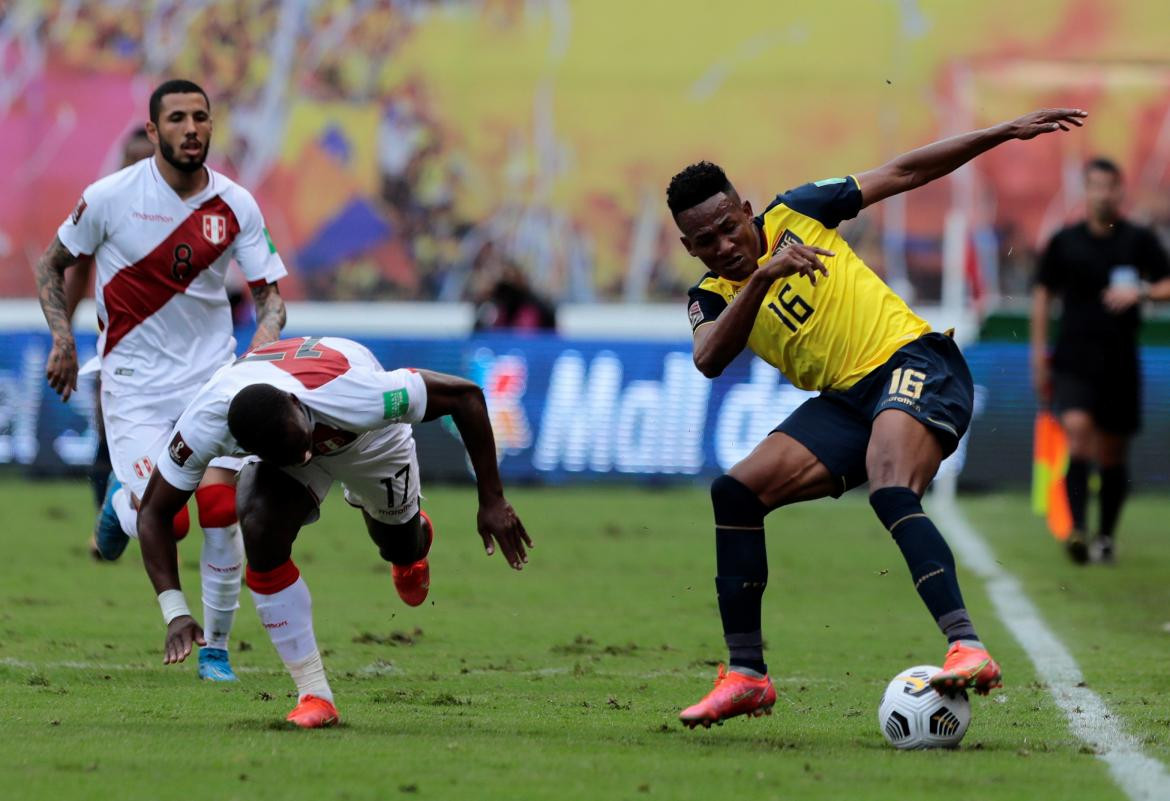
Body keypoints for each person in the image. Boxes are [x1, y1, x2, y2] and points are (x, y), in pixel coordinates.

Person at [665, 108, 1087, 729]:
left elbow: (905, 170)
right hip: (846, 402)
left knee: (889, 482)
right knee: (735, 492)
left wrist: (999, 133)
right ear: (688, 248)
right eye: (706, 242)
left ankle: (967, 644)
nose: (724, 246)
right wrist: (761, 277)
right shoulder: (710, 296)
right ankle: (747, 675)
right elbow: (708, 359)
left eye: (730, 228)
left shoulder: (798, 211)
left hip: (914, 361)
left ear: (746, 209)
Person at [133, 335, 533, 728]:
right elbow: (153, 512)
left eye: (303, 444)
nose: (306, 455)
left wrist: (492, 499)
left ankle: (412, 545)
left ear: (294, 404)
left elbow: (465, 397)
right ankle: (314, 694)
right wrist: (175, 612)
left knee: (399, 544)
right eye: (294, 455)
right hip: (289, 441)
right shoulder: (205, 424)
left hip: (368, 440)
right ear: (238, 445)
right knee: (259, 525)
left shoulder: (357, 393)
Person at [33, 79, 288, 682]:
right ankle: (121, 508)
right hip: (135, 384)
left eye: (201, 117)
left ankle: (216, 649)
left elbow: (270, 295)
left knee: (221, 504)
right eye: (177, 118)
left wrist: (263, 348)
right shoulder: (108, 197)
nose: (192, 128)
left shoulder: (236, 206)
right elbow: (52, 263)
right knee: (165, 517)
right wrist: (63, 340)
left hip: (211, 376)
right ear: (154, 131)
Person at [1031, 158, 1170, 564]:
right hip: (1074, 358)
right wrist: (1038, 354)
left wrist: (1142, 293)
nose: (1102, 194)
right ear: (1085, 191)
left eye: (1109, 186)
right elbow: (1043, 295)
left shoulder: (1138, 240)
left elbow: (1166, 283)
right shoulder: (1065, 241)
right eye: (1095, 186)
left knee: (1113, 453)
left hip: (1120, 360)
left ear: (1119, 191)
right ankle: (1076, 530)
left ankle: (1105, 535)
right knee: (1077, 432)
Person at [60, 127, 155, 554]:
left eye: (146, 159)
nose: (138, 169)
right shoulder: (107, 209)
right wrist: (63, 336)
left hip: (184, 359)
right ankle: (104, 525)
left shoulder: (189, 211)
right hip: (120, 353)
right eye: (130, 160)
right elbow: (77, 273)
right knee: (108, 440)